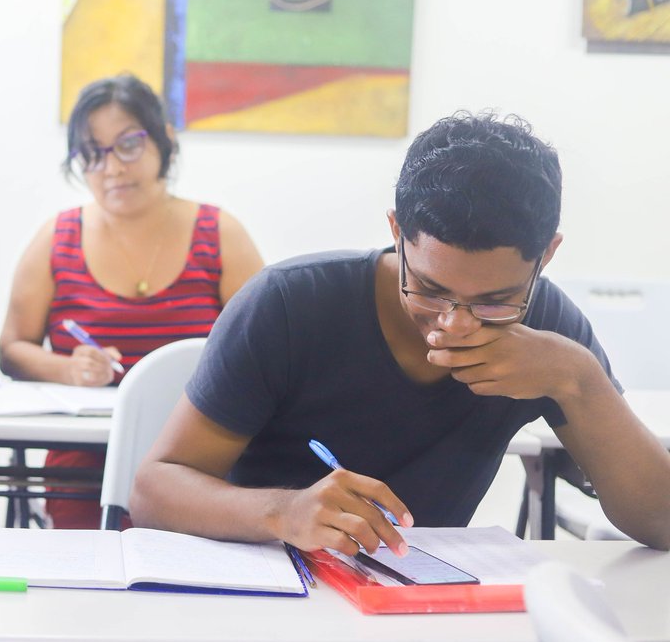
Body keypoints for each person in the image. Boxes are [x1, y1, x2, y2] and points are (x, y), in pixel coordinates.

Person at [131, 112, 670, 552]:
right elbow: (153, 493)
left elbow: (661, 521)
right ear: (396, 231)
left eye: (495, 301)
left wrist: (580, 378)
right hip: (264, 592)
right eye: (430, 288)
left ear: (547, 255)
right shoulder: (291, 305)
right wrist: (283, 512)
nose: (454, 322)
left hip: (417, 608)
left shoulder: (550, 329)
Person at [0, 74, 264, 529]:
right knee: (87, 581)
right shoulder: (57, 239)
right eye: (92, 153)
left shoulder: (220, 235)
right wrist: (68, 369)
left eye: (128, 145)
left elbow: (267, 350)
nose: (112, 168)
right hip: (85, 462)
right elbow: (11, 349)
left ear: (166, 141)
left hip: (200, 460)